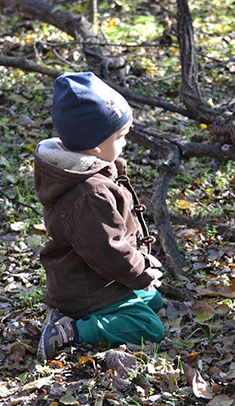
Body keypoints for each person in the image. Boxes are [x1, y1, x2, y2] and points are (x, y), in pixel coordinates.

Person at [33, 72, 164, 362]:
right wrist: (140, 270)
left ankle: (78, 314)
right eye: (121, 137)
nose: (125, 144)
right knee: (149, 327)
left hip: (88, 277)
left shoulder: (87, 170)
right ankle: (72, 330)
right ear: (95, 146)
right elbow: (108, 250)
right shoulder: (89, 194)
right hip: (87, 288)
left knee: (154, 299)